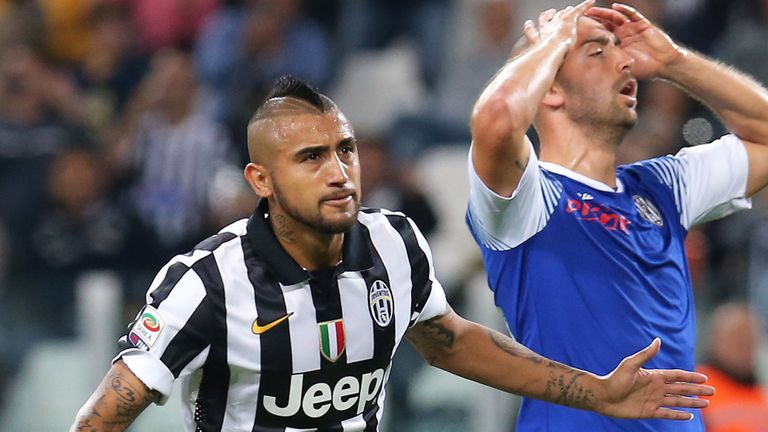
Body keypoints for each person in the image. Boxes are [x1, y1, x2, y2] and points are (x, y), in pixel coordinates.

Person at [70, 76, 713, 432]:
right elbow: (105, 414)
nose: (339, 172)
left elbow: (450, 341)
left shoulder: (393, 242)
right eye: (311, 157)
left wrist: (596, 393)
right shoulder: (206, 282)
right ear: (260, 180)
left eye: (345, 150)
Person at [466, 1, 768, 431]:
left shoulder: (663, 187)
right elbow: (496, 120)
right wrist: (550, 41)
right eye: (597, 52)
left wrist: (674, 62)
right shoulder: (526, 198)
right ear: (549, 89)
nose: (625, 61)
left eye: (619, 49)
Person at [698, 302, 768, 431]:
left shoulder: (762, 394)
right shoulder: (697, 386)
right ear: (716, 340)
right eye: (738, 340)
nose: (744, 349)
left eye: (749, 341)